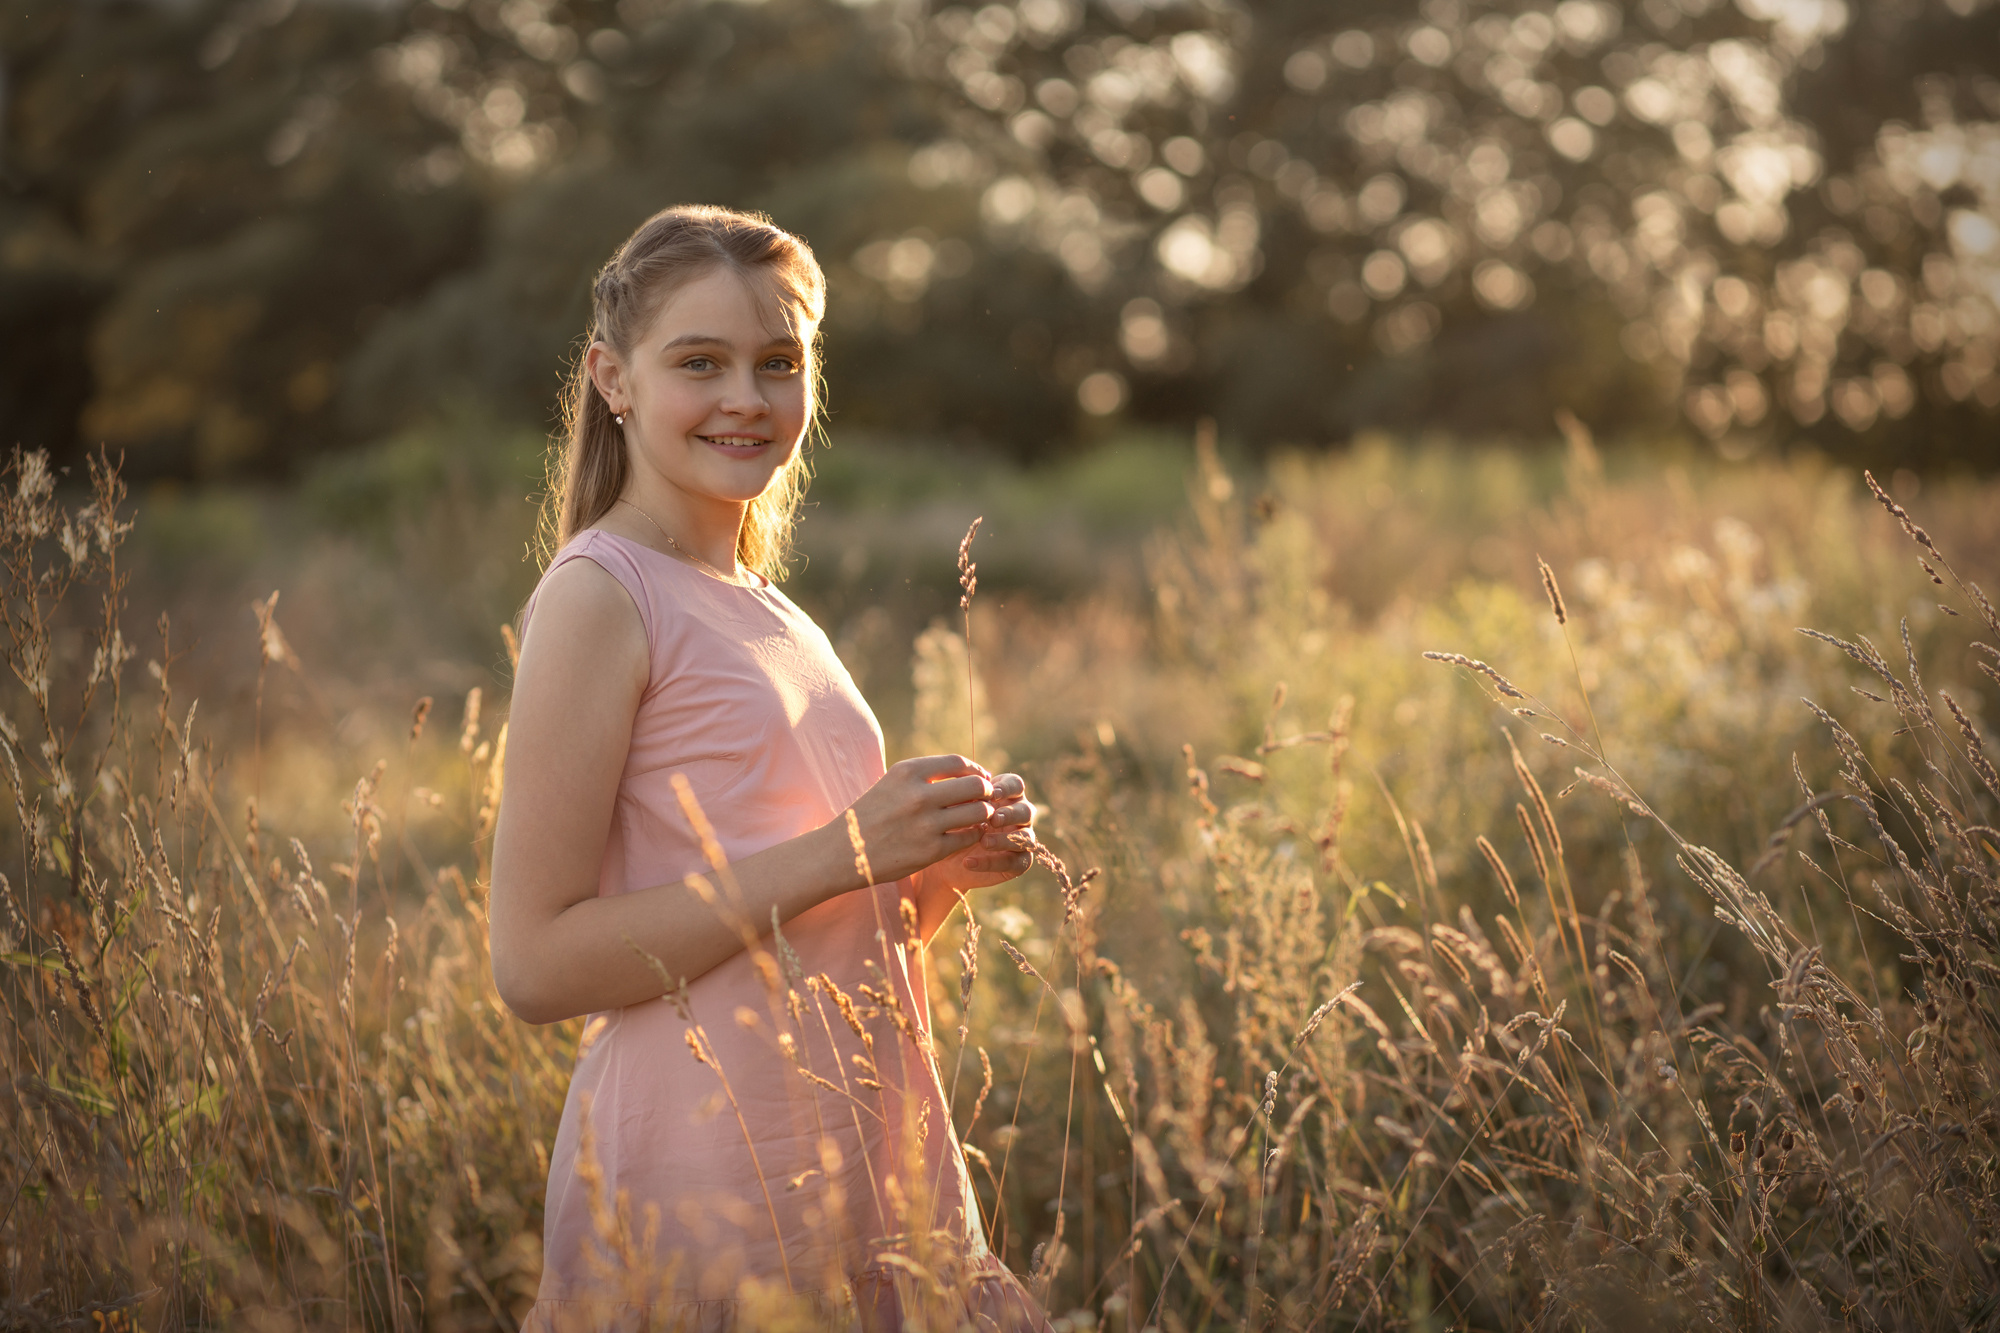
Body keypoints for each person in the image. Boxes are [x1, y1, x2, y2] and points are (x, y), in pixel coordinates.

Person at [490, 204, 1050, 1332]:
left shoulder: (768, 606)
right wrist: (847, 848)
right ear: (612, 378)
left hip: (866, 1167)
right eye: (700, 362)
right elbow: (535, 964)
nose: (746, 396)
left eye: (777, 364)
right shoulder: (601, 594)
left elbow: (812, 928)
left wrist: (933, 874)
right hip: (708, 1186)